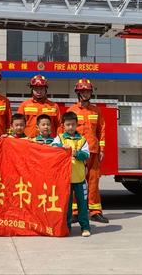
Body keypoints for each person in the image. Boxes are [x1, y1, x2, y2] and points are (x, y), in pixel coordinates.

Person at [68, 79, 108, 223]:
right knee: (75, 181)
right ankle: (75, 211)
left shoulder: (96, 110)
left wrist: (102, 148)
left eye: (88, 91)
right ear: (78, 92)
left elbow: (101, 130)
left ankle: (95, 211)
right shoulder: (71, 111)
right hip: (76, 152)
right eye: (83, 91)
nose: (86, 94)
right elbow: (65, 130)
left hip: (93, 151)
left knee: (93, 181)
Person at [52, 111, 91, 237]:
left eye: (73, 125)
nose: (70, 127)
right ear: (63, 125)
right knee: (67, 206)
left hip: (79, 178)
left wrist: (76, 154)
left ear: (77, 125)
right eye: (68, 125)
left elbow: (86, 155)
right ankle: (67, 227)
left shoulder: (83, 140)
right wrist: (63, 147)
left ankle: (85, 227)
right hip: (65, 179)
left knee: (83, 205)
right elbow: (53, 148)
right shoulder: (60, 138)